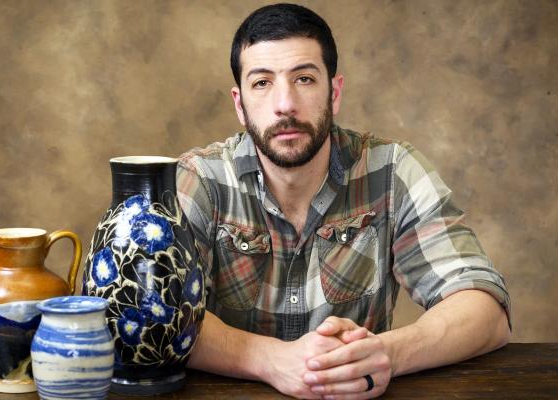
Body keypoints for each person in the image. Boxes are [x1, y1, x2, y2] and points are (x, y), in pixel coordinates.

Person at [176, 3, 511, 399]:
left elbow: (486, 311)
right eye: (262, 82)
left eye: (304, 78)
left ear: (334, 93)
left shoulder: (392, 172)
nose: (285, 104)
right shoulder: (200, 180)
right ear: (240, 104)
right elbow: (156, 314)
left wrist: (386, 354)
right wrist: (269, 359)